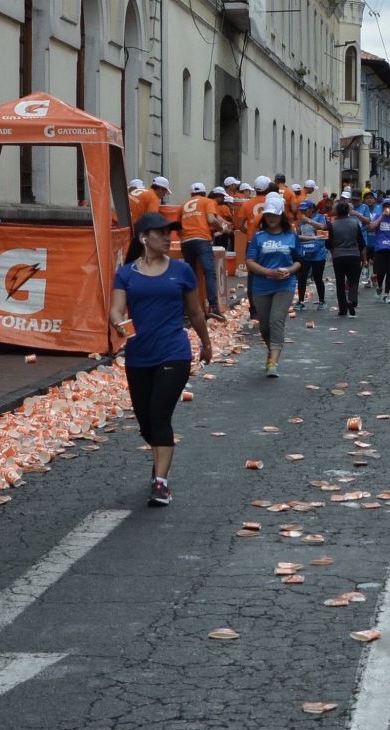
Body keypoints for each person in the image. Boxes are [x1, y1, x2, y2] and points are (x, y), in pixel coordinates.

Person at [110, 213, 213, 507]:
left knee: (159, 414)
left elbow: (194, 312)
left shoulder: (181, 271)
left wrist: (206, 343)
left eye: (170, 233)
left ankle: (161, 483)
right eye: (161, 233)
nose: (169, 238)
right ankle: (160, 462)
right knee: (145, 423)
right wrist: (119, 323)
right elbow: (116, 309)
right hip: (139, 355)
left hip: (174, 352)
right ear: (144, 237)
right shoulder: (127, 274)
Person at [246, 193, 301, 377]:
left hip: (284, 285)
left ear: (281, 216)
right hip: (261, 285)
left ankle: (273, 363)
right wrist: (267, 272)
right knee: (264, 326)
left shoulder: (291, 236)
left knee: (276, 320)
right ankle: (272, 351)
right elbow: (250, 261)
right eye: (268, 215)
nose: (271, 218)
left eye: (274, 215)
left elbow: (299, 260)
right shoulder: (258, 237)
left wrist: (289, 270)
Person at [178, 181, 226, 319]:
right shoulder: (207, 202)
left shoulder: (184, 205)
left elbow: (179, 227)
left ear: (191, 194)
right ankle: (213, 306)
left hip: (186, 242)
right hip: (202, 239)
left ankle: (188, 308)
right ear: (204, 193)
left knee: (190, 275)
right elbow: (211, 219)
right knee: (209, 272)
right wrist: (220, 228)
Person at [326, 198, 368, 318]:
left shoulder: (332, 225)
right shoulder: (355, 223)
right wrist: (363, 258)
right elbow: (361, 242)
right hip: (354, 255)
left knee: (340, 282)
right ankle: (352, 300)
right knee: (353, 281)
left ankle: (342, 309)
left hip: (338, 256)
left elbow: (328, 244)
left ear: (337, 212)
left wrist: (333, 249)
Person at [294, 206, 330, 308]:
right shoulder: (300, 220)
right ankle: (300, 301)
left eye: (305, 209)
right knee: (302, 278)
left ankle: (322, 301)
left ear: (311, 209)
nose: (303, 211)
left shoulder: (319, 217)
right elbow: (297, 235)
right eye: (302, 210)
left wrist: (308, 221)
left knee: (318, 278)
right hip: (304, 253)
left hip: (318, 254)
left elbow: (323, 231)